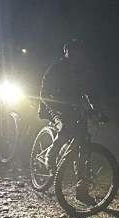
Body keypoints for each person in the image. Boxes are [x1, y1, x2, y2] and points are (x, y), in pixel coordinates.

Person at [39, 38, 106, 203]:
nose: (76, 54)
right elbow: (44, 93)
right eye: (72, 50)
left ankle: (81, 190)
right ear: (66, 52)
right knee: (66, 128)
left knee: (84, 144)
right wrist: (58, 109)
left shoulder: (82, 71)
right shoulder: (56, 69)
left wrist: (97, 110)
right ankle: (50, 156)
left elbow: (90, 92)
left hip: (74, 109)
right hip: (53, 107)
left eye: (78, 51)